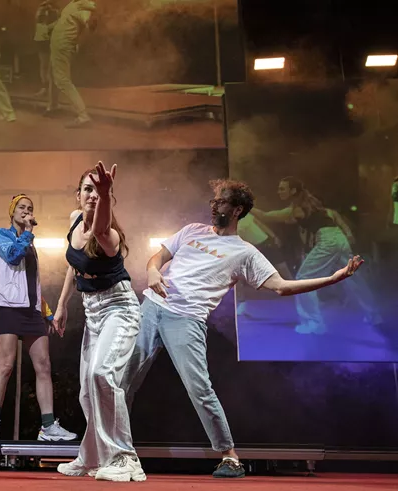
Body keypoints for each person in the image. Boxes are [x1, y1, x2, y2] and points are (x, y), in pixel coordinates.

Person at [123, 179, 367, 478]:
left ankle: (230, 457)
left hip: (186, 319)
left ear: (237, 210)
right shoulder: (192, 231)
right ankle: (112, 449)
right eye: (214, 201)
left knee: (199, 389)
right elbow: (158, 257)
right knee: (121, 382)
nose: (214, 206)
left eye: (221, 202)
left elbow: (281, 287)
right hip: (151, 308)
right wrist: (152, 271)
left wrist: (332, 279)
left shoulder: (244, 252)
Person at [52, 162, 146, 482]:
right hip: (91, 310)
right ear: (77, 195)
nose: (92, 195)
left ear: (108, 198)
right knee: (86, 392)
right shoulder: (74, 221)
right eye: (88, 189)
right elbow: (73, 265)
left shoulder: (110, 235)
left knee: (102, 374)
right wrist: (62, 305)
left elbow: (102, 231)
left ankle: (125, 458)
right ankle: (92, 456)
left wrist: (104, 194)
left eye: (100, 191)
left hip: (119, 308)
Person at [0, 194, 77, 442]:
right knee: (6, 365)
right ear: (12, 212)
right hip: (9, 307)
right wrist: (27, 233)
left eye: (30, 208)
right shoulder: (2, 235)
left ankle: (48, 427)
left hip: (31, 311)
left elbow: (31, 286)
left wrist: (49, 314)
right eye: (21, 207)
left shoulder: (30, 245)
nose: (26, 211)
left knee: (43, 365)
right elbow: (13, 255)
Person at [250, 177, 382, 334]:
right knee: (353, 278)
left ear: (293, 191)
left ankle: (314, 323)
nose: (279, 191)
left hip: (328, 241)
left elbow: (265, 216)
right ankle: (374, 315)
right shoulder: (309, 204)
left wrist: (247, 206)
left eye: (282, 188)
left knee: (303, 278)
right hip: (339, 238)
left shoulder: (297, 208)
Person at [45, 0, 95, 128]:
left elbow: (90, 25)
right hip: (58, 45)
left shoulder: (84, 6)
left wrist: (77, 42)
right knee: (52, 75)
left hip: (63, 45)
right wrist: (50, 27)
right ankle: (53, 106)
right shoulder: (74, 4)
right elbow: (66, 20)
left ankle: (83, 116)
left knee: (62, 80)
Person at [33, 0, 59, 97]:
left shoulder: (55, 11)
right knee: (44, 66)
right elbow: (39, 23)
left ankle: (51, 89)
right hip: (43, 41)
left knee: (51, 67)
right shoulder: (41, 10)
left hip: (52, 41)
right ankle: (45, 88)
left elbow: (57, 24)